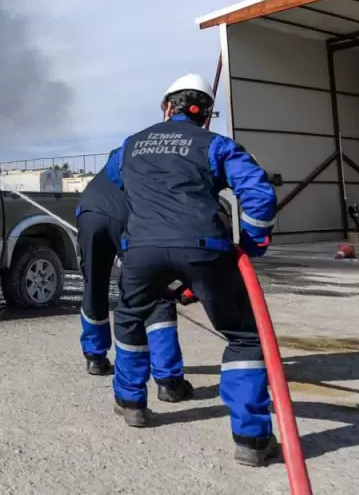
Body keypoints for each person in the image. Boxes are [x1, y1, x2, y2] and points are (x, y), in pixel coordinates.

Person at [104, 73, 279, 467]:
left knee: (130, 317)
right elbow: (258, 194)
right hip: (205, 249)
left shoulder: (130, 145)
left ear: (167, 107)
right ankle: (251, 440)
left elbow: (116, 178)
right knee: (244, 336)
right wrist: (251, 245)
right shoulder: (217, 144)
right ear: (206, 117)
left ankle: (131, 403)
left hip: (142, 251)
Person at [76, 159, 193, 405]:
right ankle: (169, 381)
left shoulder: (128, 154)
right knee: (156, 289)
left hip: (88, 213)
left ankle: (95, 358)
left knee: (93, 285)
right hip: (128, 215)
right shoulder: (171, 167)